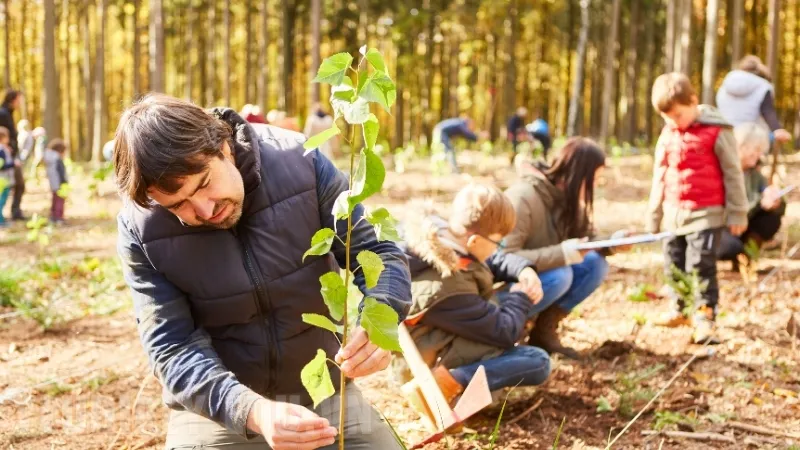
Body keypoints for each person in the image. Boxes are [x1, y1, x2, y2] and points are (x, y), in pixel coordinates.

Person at [113, 94, 411, 450]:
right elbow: (171, 347)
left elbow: (379, 251)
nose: (204, 211)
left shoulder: (301, 160)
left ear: (223, 146)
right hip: (222, 408)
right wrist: (253, 411)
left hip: (322, 391)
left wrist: (382, 317)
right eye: (178, 206)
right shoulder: (140, 228)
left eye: (204, 184)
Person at [395, 183, 549, 422]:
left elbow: (488, 261)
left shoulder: (444, 239)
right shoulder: (447, 284)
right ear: (475, 240)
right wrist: (521, 298)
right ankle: (445, 385)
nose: (499, 249)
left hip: (446, 334)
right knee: (537, 362)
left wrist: (523, 270)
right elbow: (504, 331)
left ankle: (457, 380)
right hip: (423, 362)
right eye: (498, 242)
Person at [646, 72, 748, 345]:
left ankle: (705, 316)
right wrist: (654, 215)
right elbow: (660, 173)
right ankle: (679, 308)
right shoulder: (668, 133)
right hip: (674, 213)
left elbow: (733, 173)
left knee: (701, 265)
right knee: (673, 262)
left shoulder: (717, 130)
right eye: (667, 118)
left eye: (678, 115)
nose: (673, 122)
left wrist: (738, 211)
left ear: (693, 101)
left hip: (706, 212)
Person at [504, 138, 623, 359]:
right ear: (579, 174)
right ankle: (510, 328)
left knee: (594, 264)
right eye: (594, 178)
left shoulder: (567, 199)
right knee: (561, 275)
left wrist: (612, 245)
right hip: (506, 287)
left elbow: (586, 238)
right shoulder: (523, 198)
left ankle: (544, 330)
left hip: (540, 273)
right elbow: (503, 258)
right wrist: (564, 254)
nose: (596, 185)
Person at [718, 123, 786, 264]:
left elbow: (771, 200)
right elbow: (726, 211)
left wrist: (775, 201)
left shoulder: (754, 173)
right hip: (722, 226)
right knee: (731, 247)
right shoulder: (722, 170)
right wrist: (760, 202)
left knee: (771, 219)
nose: (759, 154)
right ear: (741, 146)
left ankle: (747, 257)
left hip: (743, 225)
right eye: (756, 149)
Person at [716, 55, 792, 145]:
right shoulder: (763, 85)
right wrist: (777, 129)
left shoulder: (725, 84)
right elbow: (768, 110)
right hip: (750, 139)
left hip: (725, 136)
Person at [0, 90, 25, 220]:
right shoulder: (3, 113)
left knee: (18, 184)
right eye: (19, 99)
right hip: (6, 157)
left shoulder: (8, 113)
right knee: (17, 184)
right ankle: (12, 212)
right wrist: (5, 148)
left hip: (12, 155)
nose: (20, 103)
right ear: (13, 99)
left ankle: (15, 211)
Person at [44, 139, 68, 224]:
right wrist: (65, 182)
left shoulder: (49, 157)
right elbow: (61, 172)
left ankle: (53, 216)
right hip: (59, 183)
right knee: (60, 201)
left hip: (53, 183)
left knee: (54, 199)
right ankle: (58, 217)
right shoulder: (57, 159)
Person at [0, 127, 17, 227]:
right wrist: (13, 164)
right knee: (2, 200)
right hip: (3, 179)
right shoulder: (1, 150)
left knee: (3, 199)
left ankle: (1, 218)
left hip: (4, 178)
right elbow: (1, 166)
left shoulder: (4, 149)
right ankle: (0, 221)